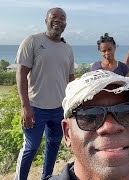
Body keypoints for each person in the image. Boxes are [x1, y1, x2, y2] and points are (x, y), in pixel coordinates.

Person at [14, 7, 75, 180]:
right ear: (46, 20)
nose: (58, 20)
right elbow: (21, 74)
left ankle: (46, 177)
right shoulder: (32, 41)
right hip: (35, 107)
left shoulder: (68, 49)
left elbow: (71, 80)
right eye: (54, 17)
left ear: (65, 24)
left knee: (53, 145)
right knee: (31, 147)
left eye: (62, 18)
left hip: (59, 109)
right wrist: (25, 106)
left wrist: (70, 108)